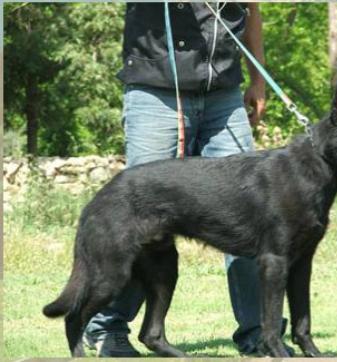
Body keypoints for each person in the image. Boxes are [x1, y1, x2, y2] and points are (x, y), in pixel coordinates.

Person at [83, 2, 290, 357]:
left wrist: (258, 79)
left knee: (252, 215)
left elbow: (251, 9)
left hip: (224, 94)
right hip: (156, 89)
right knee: (142, 219)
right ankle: (107, 326)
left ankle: (262, 334)